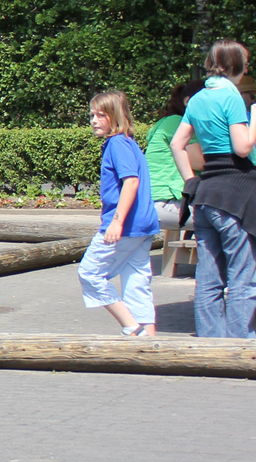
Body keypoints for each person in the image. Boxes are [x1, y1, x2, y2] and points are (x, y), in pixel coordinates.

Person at [170, 40, 256, 338]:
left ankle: (210, 343)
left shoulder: (198, 98)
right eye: (246, 62)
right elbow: (242, 148)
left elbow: (177, 144)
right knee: (243, 277)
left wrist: (190, 180)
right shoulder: (231, 96)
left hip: (206, 194)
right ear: (237, 65)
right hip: (235, 195)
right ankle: (240, 344)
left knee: (209, 279)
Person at [80, 90, 159, 336]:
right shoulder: (128, 142)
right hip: (143, 225)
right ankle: (149, 340)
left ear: (115, 116)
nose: (94, 120)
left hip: (126, 225)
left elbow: (131, 182)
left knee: (90, 273)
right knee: (136, 279)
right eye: (92, 115)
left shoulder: (116, 144)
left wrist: (117, 221)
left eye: (100, 115)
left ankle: (131, 327)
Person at [144, 79, 204, 232]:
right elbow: (199, 162)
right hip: (166, 202)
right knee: (231, 216)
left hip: (157, 201)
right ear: (188, 102)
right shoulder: (176, 123)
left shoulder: (166, 122)